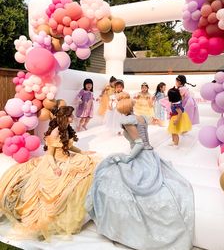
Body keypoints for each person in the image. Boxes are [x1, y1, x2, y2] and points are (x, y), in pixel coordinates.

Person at [86, 93, 194, 250]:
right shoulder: (141, 117)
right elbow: (148, 131)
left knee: (111, 174)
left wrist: (128, 159)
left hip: (141, 156)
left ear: (122, 110)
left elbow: (138, 144)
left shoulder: (127, 121)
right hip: (150, 154)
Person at [0, 106, 98, 239]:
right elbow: (50, 155)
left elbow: (68, 146)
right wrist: (55, 167)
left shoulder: (66, 129)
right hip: (54, 162)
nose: (73, 117)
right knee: (56, 189)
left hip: (67, 158)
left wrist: (82, 152)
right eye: (70, 115)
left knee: (88, 164)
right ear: (64, 117)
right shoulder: (55, 133)